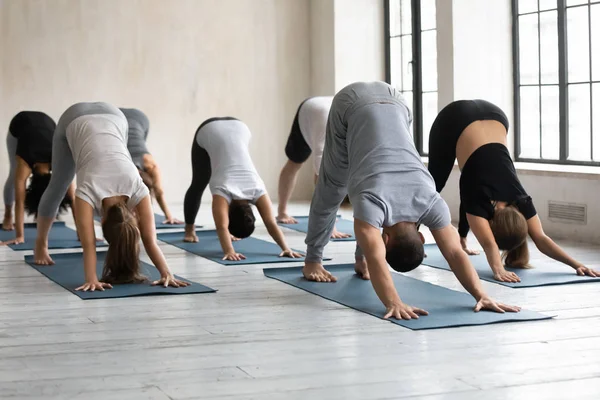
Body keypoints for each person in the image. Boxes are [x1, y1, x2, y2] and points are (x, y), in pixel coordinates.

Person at [303, 81, 520, 320]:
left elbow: (457, 253)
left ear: (420, 237)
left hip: (397, 100)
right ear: (388, 239)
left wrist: (482, 295)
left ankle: (342, 259)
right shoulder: (372, 204)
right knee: (333, 186)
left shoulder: (432, 201)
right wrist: (393, 302)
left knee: (350, 200)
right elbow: (381, 256)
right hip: (350, 105)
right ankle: (313, 260)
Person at [427, 99, 599, 283]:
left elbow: (540, 238)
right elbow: (489, 243)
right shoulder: (483, 200)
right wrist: (497, 269)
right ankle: (415, 238)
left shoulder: (521, 199)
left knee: (466, 185)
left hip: (496, 114)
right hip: (454, 118)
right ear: (491, 225)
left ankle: (462, 240)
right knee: (431, 186)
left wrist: (576, 264)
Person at [33, 102, 188, 291]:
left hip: (115, 116)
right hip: (75, 118)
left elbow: (148, 240)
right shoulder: (88, 191)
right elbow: (88, 244)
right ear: (102, 219)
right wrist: (92, 279)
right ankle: (40, 243)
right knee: (59, 184)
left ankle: (42, 243)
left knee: (60, 184)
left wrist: (167, 273)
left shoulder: (138, 188)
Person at [183, 117, 302, 261]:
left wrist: (286, 248)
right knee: (199, 182)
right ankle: (189, 230)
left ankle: (190, 229)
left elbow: (270, 222)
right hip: (210, 129)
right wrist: (229, 251)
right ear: (229, 215)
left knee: (200, 181)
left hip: (240, 127)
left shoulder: (257, 187)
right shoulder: (222, 188)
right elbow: (221, 226)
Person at [277, 97, 350, 240]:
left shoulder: (359, 134)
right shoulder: (324, 143)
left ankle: (325, 217)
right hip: (308, 111)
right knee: (295, 162)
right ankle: (282, 211)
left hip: (332, 106)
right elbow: (323, 184)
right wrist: (330, 227)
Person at [2, 111, 74, 245]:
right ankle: (7, 215)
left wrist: (84, 236)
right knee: (14, 174)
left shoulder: (61, 160)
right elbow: (20, 202)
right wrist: (19, 236)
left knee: (69, 188)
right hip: (20, 122)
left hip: (47, 121)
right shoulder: (24, 163)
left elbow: (73, 199)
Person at [120, 108, 182, 224]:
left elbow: (159, 191)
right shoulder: (121, 168)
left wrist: (169, 216)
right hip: (121, 117)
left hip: (139, 120)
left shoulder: (151, 165)